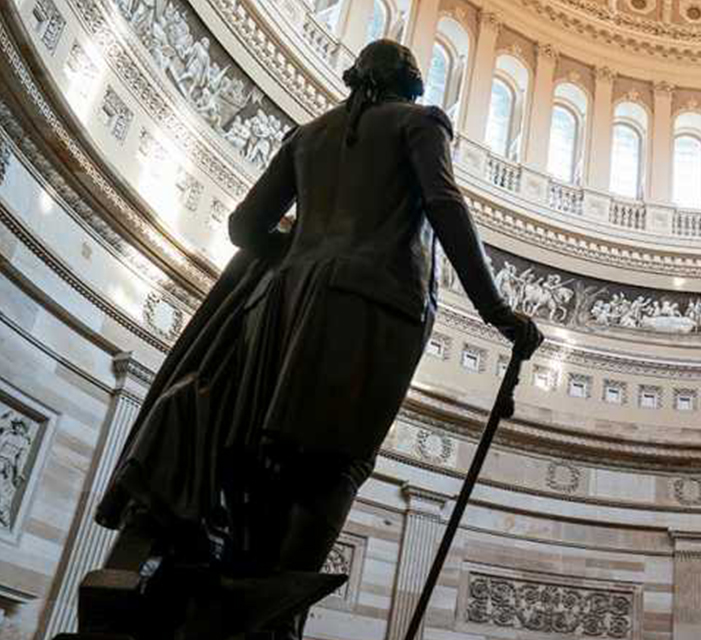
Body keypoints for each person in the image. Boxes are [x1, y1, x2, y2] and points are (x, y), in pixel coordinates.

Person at [94, 39, 541, 640]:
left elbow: (243, 227)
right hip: (368, 311)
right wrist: (497, 310)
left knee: (263, 463)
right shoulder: (420, 123)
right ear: (410, 85)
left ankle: (244, 600)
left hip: (277, 306)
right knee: (336, 464)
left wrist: (302, 256)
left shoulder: (306, 135)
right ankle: (278, 619)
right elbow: (444, 204)